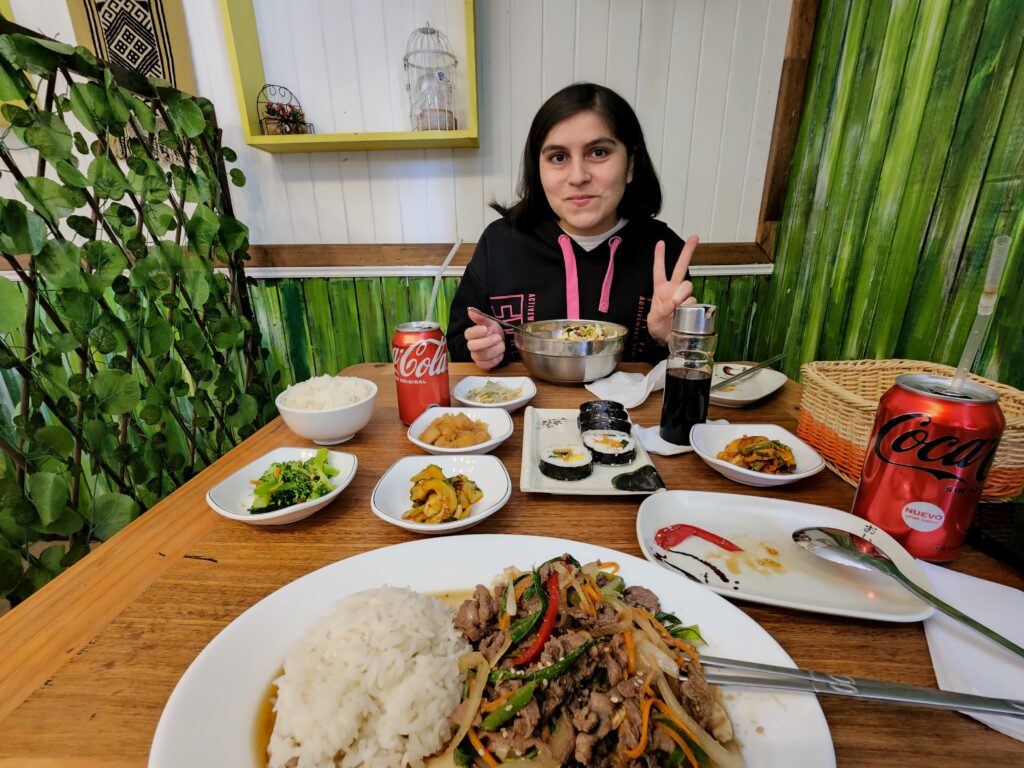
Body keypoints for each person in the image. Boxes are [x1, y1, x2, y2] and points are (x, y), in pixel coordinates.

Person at [446, 82, 699, 370]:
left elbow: (689, 366)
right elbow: (458, 341)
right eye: (558, 157)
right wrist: (484, 349)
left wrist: (667, 341)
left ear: (630, 164)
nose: (578, 176)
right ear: (538, 169)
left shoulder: (664, 251)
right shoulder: (500, 243)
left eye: (599, 152)